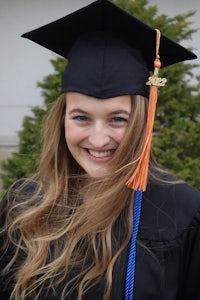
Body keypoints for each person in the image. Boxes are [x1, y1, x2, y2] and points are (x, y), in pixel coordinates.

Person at [0, 0, 200, 299]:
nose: (98, 139)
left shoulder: (183, 209)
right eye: (81, 117)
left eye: (118, 119)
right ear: (62, 120)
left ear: (142, 122)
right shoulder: (23, 204)